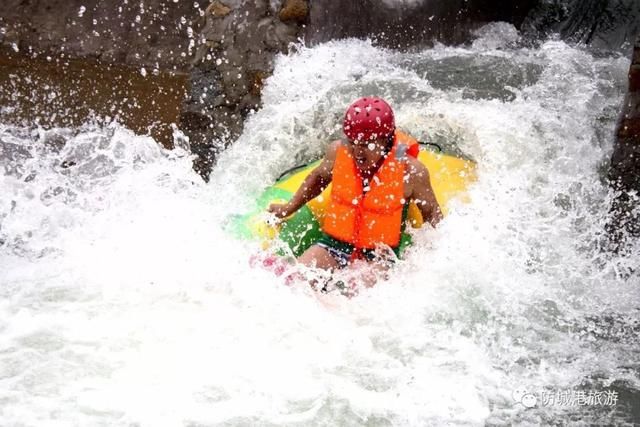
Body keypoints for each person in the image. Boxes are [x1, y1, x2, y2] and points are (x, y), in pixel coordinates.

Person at [268, 97, 442, 282]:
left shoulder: (411, 171)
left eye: (367, 144)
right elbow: (318, 178)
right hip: (333, 246)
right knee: (293, 282)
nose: (358, 152)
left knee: (355, 303)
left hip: (379, 256)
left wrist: (432, 261)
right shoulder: (338, 152)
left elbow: (433, 215)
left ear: (386, 141)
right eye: (352, 142)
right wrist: (288, 207)